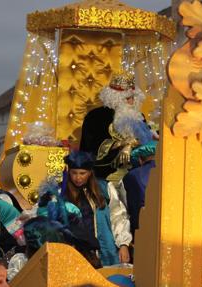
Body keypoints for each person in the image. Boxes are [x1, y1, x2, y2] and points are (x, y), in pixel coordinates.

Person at [80, 71, 157, 236]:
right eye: (127, 98)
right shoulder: (96, 118)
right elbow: (91, 151)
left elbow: (145, 142)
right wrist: (122, 144)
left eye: (133, 98)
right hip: (107, 178)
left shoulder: (139, 117)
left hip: (137, 174)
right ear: (115, 98)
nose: (131, 102)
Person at [62, 151, 132, 266]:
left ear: (89, 172)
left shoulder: (104, 189)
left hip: (103, 250)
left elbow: (118, 216)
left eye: (82, 173)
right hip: (74, 251)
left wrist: (123, 244)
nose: (78, 178)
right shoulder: (61, 192)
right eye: (74, 173)